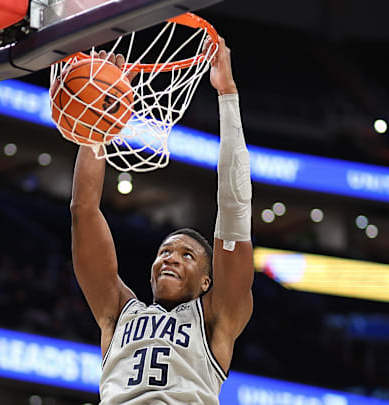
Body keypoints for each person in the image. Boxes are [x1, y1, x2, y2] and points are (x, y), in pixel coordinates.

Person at [69, 37, 254, 404]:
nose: (169, 257)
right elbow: (83, 211)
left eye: (187, 255)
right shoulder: (118, 312)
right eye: (165, 251)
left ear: (207, 280)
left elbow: (234, 210)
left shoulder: (216, 317)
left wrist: (228, 95)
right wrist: (98, 120)